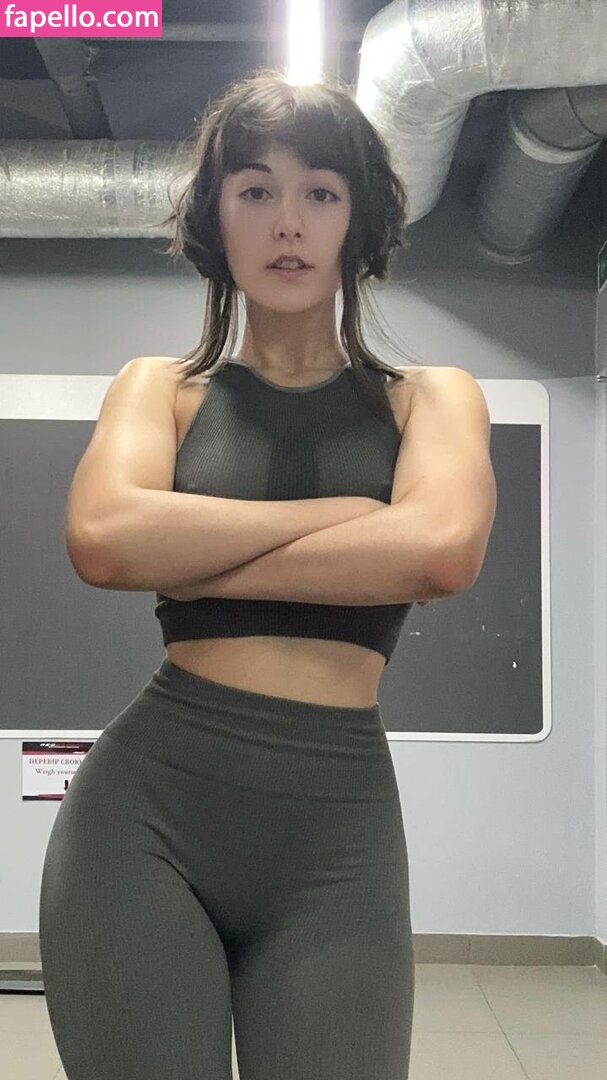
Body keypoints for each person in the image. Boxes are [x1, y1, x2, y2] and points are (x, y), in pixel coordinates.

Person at [39, 68, 441, 1080]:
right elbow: (104, 540)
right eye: (255, 189)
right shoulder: (160, 390)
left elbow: (437, 551)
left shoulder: (427, 401)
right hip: (145, 818)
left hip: (338, 839)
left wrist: (193, 551)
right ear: (217, 219)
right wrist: (349, 514)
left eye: (320, 191)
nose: (286, 220)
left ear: (357, 220)